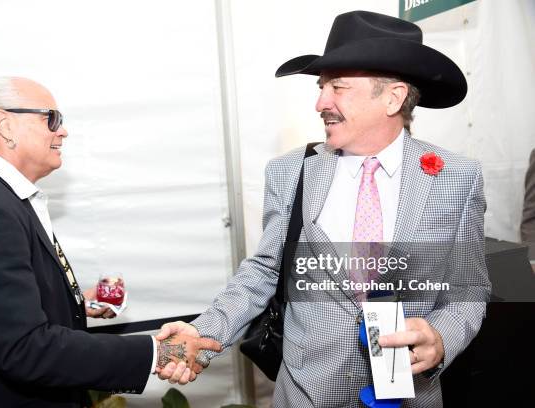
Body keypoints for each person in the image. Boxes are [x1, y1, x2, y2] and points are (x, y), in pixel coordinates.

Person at [156, 10, 490, 407]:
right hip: (305, 395)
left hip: (409, 397)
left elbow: (469, 287)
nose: (320, 102)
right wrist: (201, 334)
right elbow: (264, 271)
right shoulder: (290, 172)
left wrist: (440, 339)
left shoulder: (456, 177)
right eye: (321, 87)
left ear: (393, 97)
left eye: (339, 88)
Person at [0, 77, 221, 407]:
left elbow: (3, 306)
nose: (62, 131)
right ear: (5, 124)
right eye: (51, 118)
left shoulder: (1, 197)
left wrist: (74, 302)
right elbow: (24, 348)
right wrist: (159, 351)